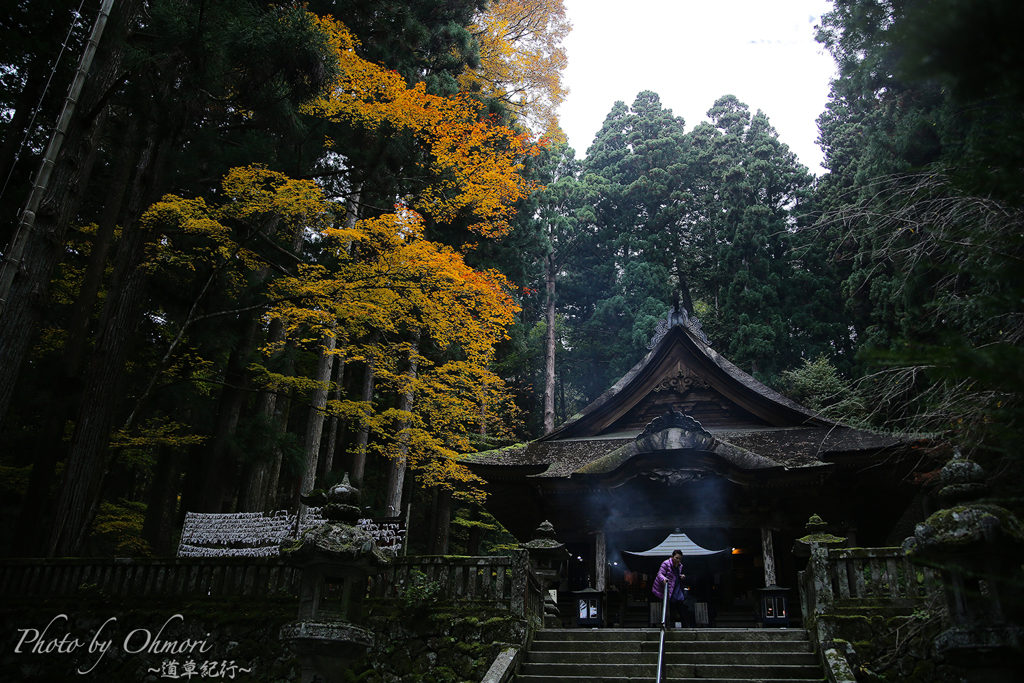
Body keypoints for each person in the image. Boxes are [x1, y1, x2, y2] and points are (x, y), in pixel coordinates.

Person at [651, 549, 686, 627]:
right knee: (671, 610)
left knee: (682, 609)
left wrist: (681, 577)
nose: (678, 560)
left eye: (680, 558)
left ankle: (685, 627)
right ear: (672, 557)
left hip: (677, 589)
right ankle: (670, 627)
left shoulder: (679, 566)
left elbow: (675, 576)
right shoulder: (666, 563)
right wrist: (664, 579)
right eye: (676, 558)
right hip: (669, 590)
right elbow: (660, 574)